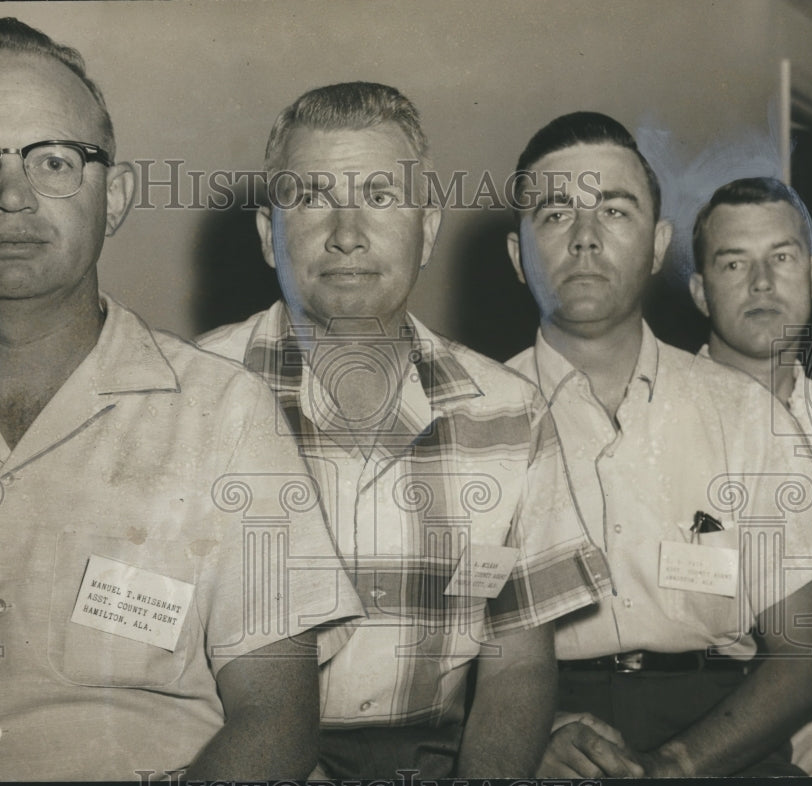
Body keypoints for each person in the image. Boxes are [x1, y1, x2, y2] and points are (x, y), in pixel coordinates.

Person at [0, 17, 362, 782]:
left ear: (115, 196)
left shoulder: (226, 416)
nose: (13, 197)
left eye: (55, 160)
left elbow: (277, 725)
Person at [197, 81, 612, 778]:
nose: (347, 233)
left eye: (381, 197)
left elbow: (517, 669)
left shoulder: (512, 414)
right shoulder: (187, 398)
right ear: (270, 236)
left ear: (428, 230)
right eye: (312, 198)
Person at [504, 111, 812, 777]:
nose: (584, 239)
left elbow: (809, 656)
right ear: (519, 256)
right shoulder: (465, 420)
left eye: (614, 211)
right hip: (534, 724)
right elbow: (419, 659)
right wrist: (529, 733)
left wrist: (680, 764)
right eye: (554, 215)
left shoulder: (742, 413)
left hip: (722, 729)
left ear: (658, 244)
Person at [690, 176, 812, 776]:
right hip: (683, 704)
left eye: (780, 258)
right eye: (733, 264)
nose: (762, 283)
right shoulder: (648, 420)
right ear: (701, 291)